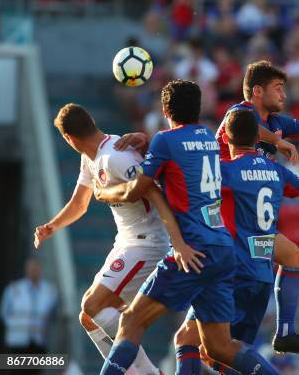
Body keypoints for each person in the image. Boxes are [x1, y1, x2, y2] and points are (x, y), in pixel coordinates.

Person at [118, 60, 299, 356]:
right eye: (278, 88)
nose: (284, 95)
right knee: (202, 341)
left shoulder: (276, 122)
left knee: (293, 257)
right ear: (257, 91)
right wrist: (278, 143)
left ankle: (284, 333)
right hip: (219, 213)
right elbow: (250, 128)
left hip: (245, 215)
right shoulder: (239, 114)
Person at [94, 80, 281, 375]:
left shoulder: (165, 142)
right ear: (199, 108)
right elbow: (185, 162)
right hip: (222, 250)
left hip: (193, 249)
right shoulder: (207, 136)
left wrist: (102, 192)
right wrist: (152, 144)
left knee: (131, 321)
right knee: (218, 346)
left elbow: (135, 190)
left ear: (166, 109)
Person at [172, 109, 299, 374]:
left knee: (189, 340)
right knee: (230, 357)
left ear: (226, 139)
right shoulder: (276, 171)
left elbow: (185, 185)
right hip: (262, 278)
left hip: (231, 275)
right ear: (257, 137)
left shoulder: (225, 171)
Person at [34, 103, 186, 374]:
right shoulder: (90, 157)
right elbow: (80, 203)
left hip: (147, 243)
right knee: (90, 317)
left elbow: (153, 191)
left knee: (93, 306)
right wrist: (52, 226)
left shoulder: (116, 155)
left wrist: (177, 240)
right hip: (126, 242)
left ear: (69, 138)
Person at [0, 258, 57, 360]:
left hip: (39, 341)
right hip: (17, 342)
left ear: (40, 270)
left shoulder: (50, 291)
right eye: (31, 269)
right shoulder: (13, 289)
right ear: (26, 270)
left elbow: (52, 314)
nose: (34, 271)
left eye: (36, 268)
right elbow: (4, 313)